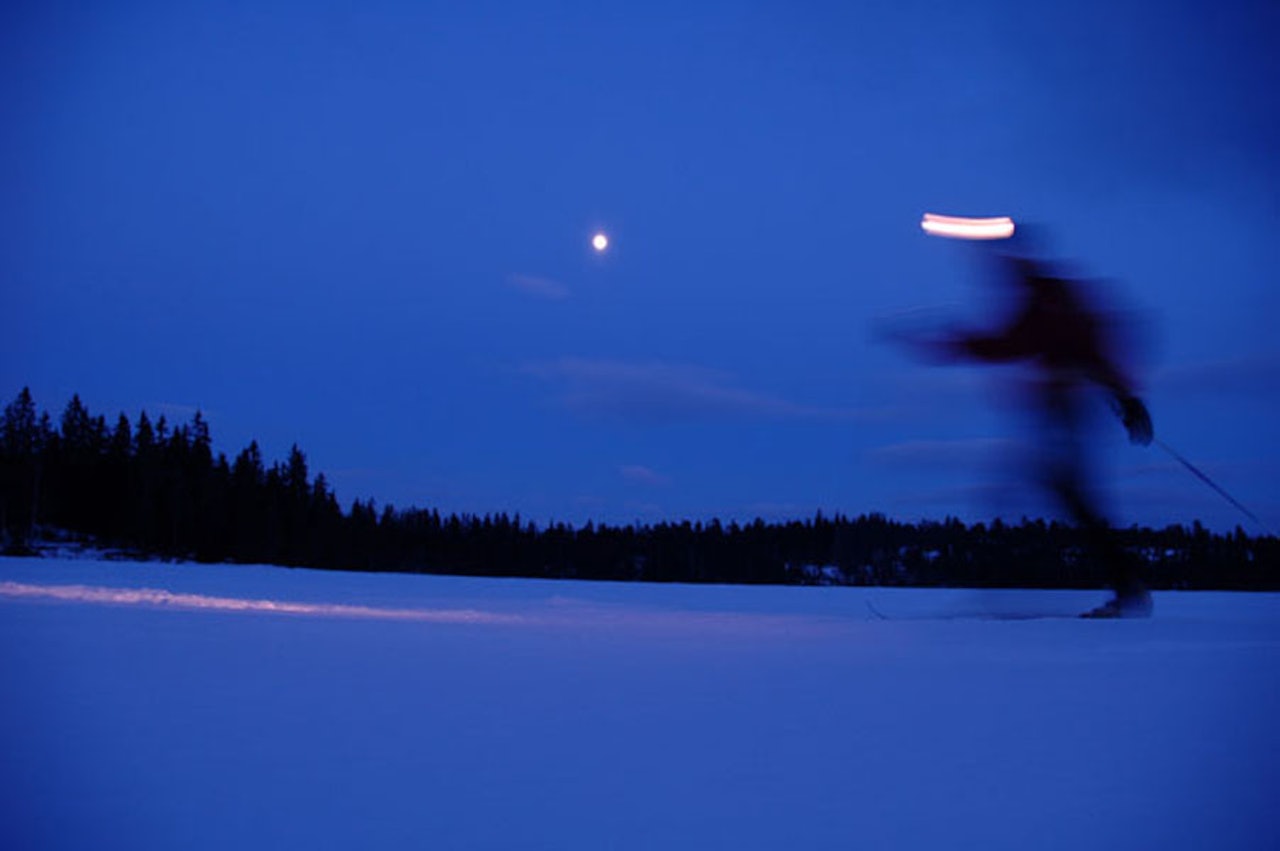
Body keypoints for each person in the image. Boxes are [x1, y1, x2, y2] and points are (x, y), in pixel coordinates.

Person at [907, 226, 1154, 617]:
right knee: (1059, 491)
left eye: (1009, 260)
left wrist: (1126, 399)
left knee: (1061, 492)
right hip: (1060, 409)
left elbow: (1024, 344)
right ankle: (1122, 588)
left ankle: (1122, 589)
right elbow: (1017, 342)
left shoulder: (1050, 299)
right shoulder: (1044, 297)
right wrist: (1125, 399)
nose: (1003, 268)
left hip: (1063, 410)